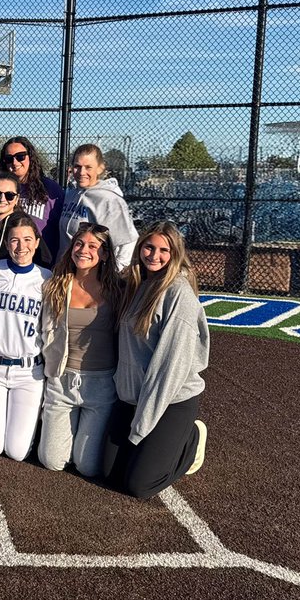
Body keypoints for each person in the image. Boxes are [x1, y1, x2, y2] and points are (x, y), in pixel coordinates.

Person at [103, 221, 210, 499]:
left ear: (175, 254)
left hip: (170, 399)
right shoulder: (136, 283)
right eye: (149, 247)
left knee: (139, 485)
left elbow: (168, 370)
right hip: (132, 397)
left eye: (164, 250)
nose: (154, 255)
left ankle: (190, 440)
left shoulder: (179, 295)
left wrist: (141, 426)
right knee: (107, 473)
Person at [37, 222, 123, 476]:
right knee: (52, 461)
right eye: (79, 243)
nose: (84, 250)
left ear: (105, 254)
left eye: (93, 246)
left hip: (101, 384)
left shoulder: (119, 290)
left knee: (88, 467)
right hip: (61, 379)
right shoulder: (55, 285)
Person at [0, 213, 51, 462]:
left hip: (28, 372)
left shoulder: (47, 279)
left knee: (17, 452)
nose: (21, 246)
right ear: (6, 244)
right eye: (14, 240)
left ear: (37, 242)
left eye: (27, 239)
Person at [58, 144, 137, 269]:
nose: (81, 172)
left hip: (91, 274)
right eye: (77, 166)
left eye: (88, 167)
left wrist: (115, 273)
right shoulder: (71, 194)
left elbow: (126, 242)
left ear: (100, 168)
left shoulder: (109, 199)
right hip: (66, 270)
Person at [0, 136, 64, 259]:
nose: (15, 162)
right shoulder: (2, 190)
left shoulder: (50, 189)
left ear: (30, 157)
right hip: (10, 257)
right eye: (9, 158)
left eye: (20, 156)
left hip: (43, 259)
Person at [0, 171, 53, 269]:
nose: (2, 199)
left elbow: (44, 260)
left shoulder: (23, 225)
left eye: (9, 195)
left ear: (17, 199)